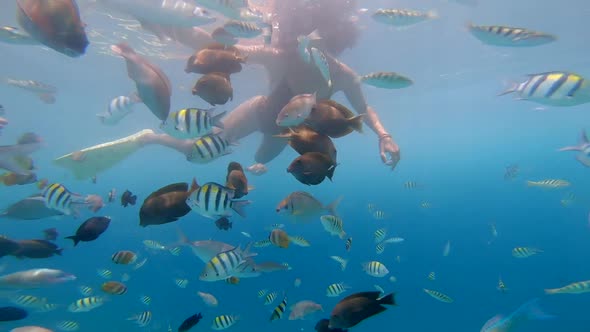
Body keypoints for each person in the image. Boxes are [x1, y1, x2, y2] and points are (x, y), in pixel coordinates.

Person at [55, 0, 400, 179]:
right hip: (260, 110)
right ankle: (151, 136)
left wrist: (384, 135)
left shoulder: (343, 76)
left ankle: (259, 149)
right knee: (196, 152)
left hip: (288, 131)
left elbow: (364, 109)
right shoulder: (281, 57)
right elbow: (216, 49)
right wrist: (168, 22)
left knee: (261, 159)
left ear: (336, 44)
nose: (311, 50)